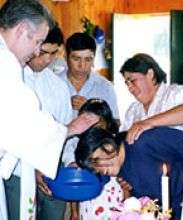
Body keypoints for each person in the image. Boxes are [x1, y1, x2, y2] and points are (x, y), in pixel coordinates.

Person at [0, 1, 98, 220]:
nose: (37, 52)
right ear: (22, 30)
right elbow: (25, 121)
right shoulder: (5, 64)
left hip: (44, 167)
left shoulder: (11, 63)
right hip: (20, 169)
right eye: (37, 43)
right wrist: (70, 129)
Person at [75, 127, 183, 220]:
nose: (98, 169)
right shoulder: (122, 173)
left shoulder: (145, 141)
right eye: (93, 169)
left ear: (107, 144)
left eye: (96, 161)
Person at [60, 32, 121, 220]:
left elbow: (115, 124)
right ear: (66, 56)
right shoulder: (54, 83)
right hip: (58, 160)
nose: (82, 66)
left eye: (88, 60)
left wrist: (91, 108)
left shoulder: (104, 86)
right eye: (76, 59)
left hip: (94, 162)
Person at [23, 24, 72, 220]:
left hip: (52, 172)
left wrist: (71, 161)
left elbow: (67, 131)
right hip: (18, 171)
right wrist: (31, 167)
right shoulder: (12, 79)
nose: (46, 60)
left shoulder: (58, 87)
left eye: (53, 54)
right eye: (42, 52)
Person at [119, 53, 183, 144]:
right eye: (127, 83)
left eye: (132, 80)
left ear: (150, 74)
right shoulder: (133, 110)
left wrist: (148, 123)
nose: (129, 87)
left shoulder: (175, 93)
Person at [69, 98, 124, 220]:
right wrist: (74, 212)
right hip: (88, 206)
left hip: (113, 204)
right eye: (86, 123)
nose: (91, 127)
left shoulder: (117, 148)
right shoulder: (83, 149)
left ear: (108, 123)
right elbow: (76, 185)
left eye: (97, 123)